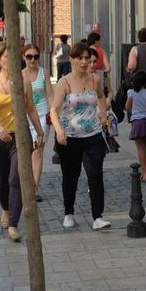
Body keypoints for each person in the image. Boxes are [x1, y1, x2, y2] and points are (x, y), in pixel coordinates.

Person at [0, 42, 44, 243]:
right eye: (8, 57)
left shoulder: (22, 81)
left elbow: (31, 108)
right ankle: (6, 209)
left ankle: (13, 224)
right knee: (1, 181)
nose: (12, 60)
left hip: (20, 136)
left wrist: (40, 131)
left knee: (15, 179)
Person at [49, 41, 112, 231]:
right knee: (71, 176)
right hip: (70, 137)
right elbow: (54, 110)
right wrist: (59, 131)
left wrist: (104, 117)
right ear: (72, 59)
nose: (84, 62)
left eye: (87, 58)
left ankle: (97, 216)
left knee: (95, 174)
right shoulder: (64, 82)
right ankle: (69, 213)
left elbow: (101, 96)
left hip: (93, 134)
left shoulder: (95, 80)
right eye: (80, 58)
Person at [22, 43, 53, 202]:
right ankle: (25, 186)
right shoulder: (20, 75)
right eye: (29, 56)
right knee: (26, 152)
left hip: (41, 116)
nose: (33, 59)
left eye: (35, 56)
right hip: (25, 118)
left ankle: (34, 188)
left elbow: (49, 95)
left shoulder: (44, 73)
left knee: (38, 152)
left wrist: (53, 112)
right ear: (23, 57)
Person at [125, 70, 146, 183]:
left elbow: (127, 107)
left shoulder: (131, 93)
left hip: (137, 122)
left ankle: (144, 173)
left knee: (140, 148)